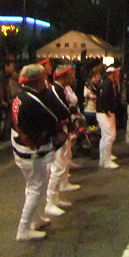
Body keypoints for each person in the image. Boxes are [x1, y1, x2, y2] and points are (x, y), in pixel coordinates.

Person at [11, 64, 64, 241]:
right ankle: (23, 228)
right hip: (31, 151)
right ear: (35, 82)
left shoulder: (21, 96)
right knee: (36, 189)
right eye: (43, 79)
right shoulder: (33, 101)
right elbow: (55, 118)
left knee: (32, 185)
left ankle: (34, 219)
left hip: (22, 149)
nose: (46, 83)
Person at [44, 64, 79, 217]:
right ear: (63, 76)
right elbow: (63, 111)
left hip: (60, 130)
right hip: (55, 132)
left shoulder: (60, 90)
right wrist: (71, 116)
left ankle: (55, 198)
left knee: (62, 164)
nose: (73, 77)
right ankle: (50, 202)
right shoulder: (55, 90)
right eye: (71, 74)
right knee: (57, 167)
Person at [97, 66, 120, 169]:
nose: (118, 73)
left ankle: (104, 158)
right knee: (109, 136)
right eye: (117, 71)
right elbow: (104, 97)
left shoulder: (108, 81)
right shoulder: (108, 82)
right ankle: (106, 161)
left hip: (104, 111)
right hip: (105, 112)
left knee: (106, 136)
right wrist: (106, 110)